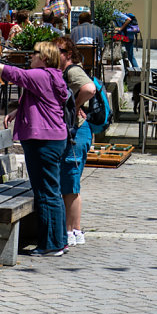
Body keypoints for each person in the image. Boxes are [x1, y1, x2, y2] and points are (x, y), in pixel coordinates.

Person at [0, 42, 69, 256]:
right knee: (52, 191)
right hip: (53, 138)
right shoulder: (53, 75)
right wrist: (18, 111)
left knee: (46, 193)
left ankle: (51, 244)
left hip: (42, 141)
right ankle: (59, 240)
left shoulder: (40, 75)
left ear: (45, 58)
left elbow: (13, 73)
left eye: (35, 53)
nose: (30, 56)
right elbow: (40, 98)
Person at [56, 37, 96, 248]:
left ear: (68, 54)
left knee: (71, 184)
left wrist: (75, 105)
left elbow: (89, 89)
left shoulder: (72, 71)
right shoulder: (63, 72)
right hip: (75, 132)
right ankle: (71, 229)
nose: (54, 54)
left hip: (76, 133)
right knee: (69, 182)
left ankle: (74, 230)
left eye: (59, 51)